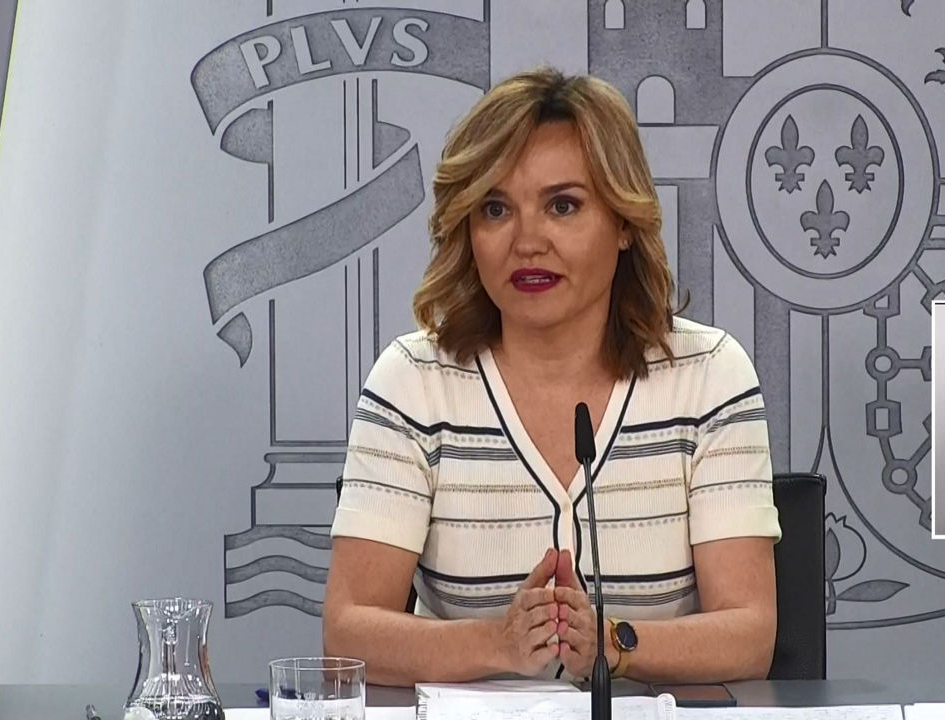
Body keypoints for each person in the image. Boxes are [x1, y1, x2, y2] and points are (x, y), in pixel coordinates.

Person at [321, 67, 781, 686]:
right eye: (495, 209)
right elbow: (349, 630)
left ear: (624, 222)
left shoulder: (708, 376)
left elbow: (749, 634)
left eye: (563, 206)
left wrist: (611, 643)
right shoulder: (414, 382)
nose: (527, 241)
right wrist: (498, 643)